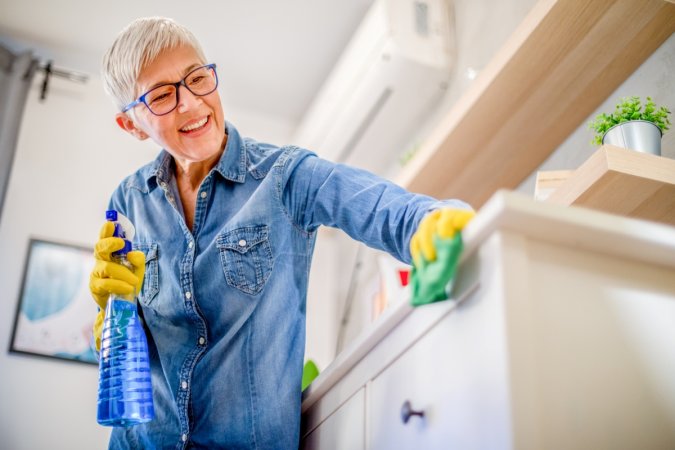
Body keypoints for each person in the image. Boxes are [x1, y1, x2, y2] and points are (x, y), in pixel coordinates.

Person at [89, 16, 473, 450]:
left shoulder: (285, 177)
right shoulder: (130, 201)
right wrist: (110, 315)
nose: (191, 103)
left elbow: (392, 211)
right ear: (132, 124)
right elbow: (125, 361)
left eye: (197, 78)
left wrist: (435, 222)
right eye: (161, 95)